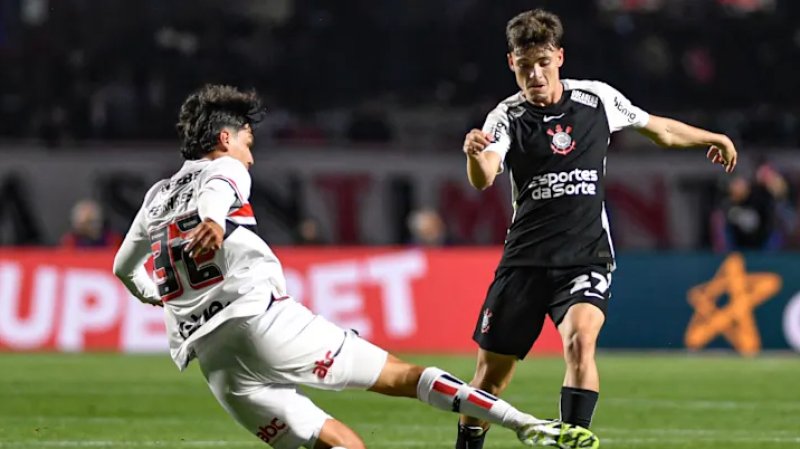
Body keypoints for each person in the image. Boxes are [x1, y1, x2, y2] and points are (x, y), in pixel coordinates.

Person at [112, 84, 599, 449]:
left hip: (216, 361)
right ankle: (527, 425)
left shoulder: (156, 196)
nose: (251, 156)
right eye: (248, 142)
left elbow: (123, 268)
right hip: (262, 322)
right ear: (225, 137)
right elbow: (221, 188)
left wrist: (154, 294)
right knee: (404, 378)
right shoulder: (225, 167)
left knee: (341, 444)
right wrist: (214, 220)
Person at [456, 9, 738, 449]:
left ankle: (574, 441)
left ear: (559, 57)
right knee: (490, 379)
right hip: (525, 261)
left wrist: (712, 137)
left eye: (543, 63)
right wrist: (475, 155)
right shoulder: (506, 116)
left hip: (585, 256)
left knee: (580, 341)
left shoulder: (596, 99)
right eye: (525, 65)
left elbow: (659, 129)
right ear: (511, 63)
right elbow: (485, 175)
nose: (535, 75)